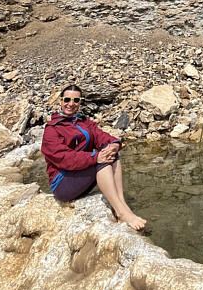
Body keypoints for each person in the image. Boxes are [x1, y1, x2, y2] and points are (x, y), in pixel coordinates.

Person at [41, 84, 146, 231]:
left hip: (79, 173)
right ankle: (121, 212)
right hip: (62, 182)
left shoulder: (83, 121)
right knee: (101, 161)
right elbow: (64, 158)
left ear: (80, 102)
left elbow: (100, 135)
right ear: (60, 101)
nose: (71, 104)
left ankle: (121, 206)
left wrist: (114, 144)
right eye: (67, 99)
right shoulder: (52, 129)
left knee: (111, 154)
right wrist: (94, 157)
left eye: (76, 100)